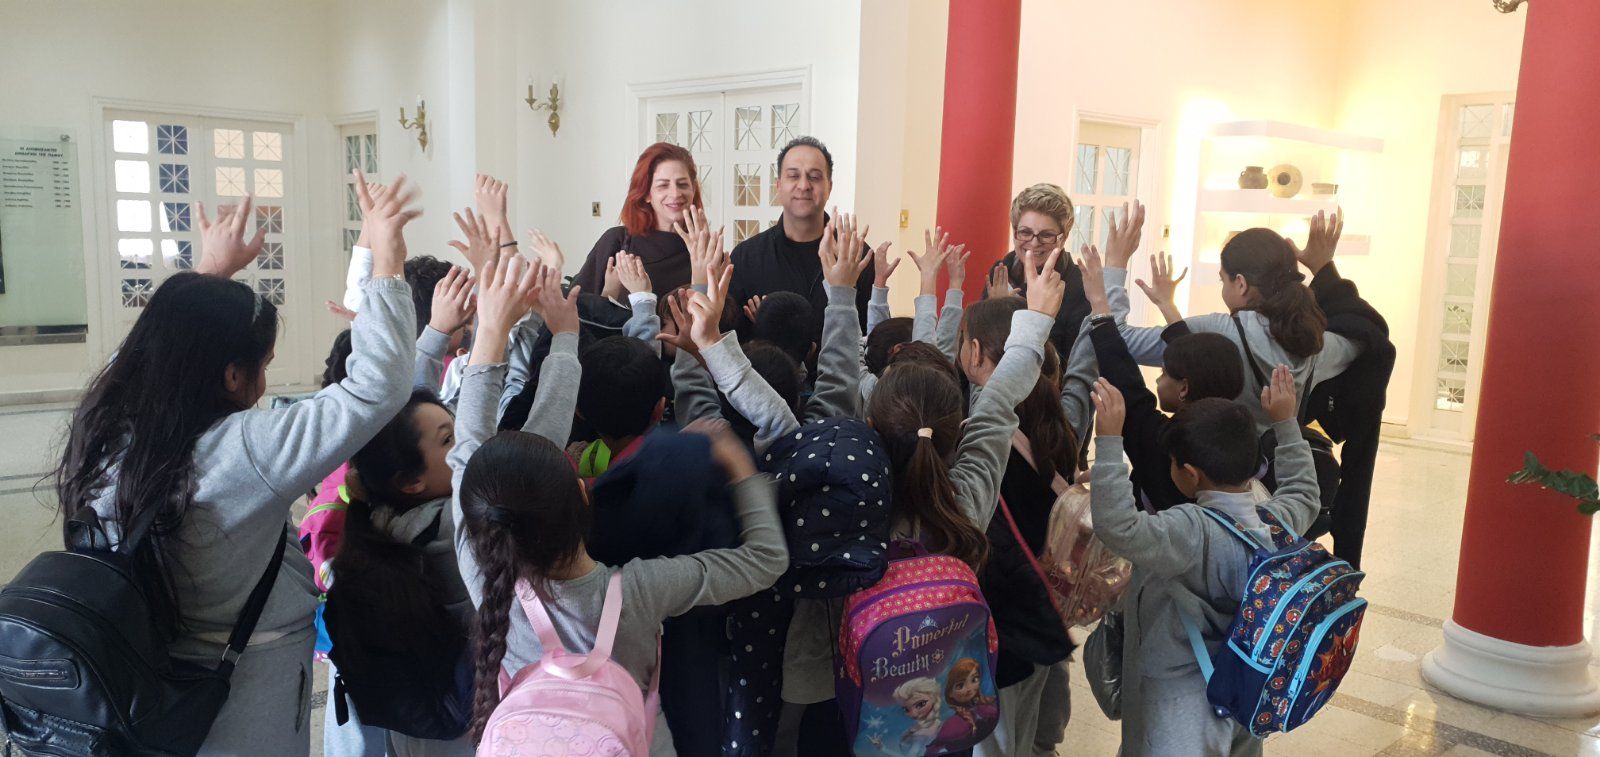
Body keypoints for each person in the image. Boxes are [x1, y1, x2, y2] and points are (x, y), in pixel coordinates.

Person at [54, 175, 421, 755]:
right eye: (264, 365)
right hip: (246, 683)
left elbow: (144, 354)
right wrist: (387, 260)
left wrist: (208, 275)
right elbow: (377, 386)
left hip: (136, 668)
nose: (265, 380)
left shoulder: (107, 428)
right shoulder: (245, 450)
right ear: (231, 376)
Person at [447, 251, 789, 753]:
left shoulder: (482, 570)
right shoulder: (637, 591)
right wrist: (743, 473)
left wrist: (495, 332)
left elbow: (471, 451)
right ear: (582, 495)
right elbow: (766, 561)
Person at [1087, 369, 1321, 757]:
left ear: (1190, 475)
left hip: (1179, 700)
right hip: (1246, 685)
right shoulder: (1274, 521)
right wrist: (1286, 422)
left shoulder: (1191, 530)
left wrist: (1109, 442)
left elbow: (1118, 526)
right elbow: (1304, 493)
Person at [1106, 210, 1363, 433]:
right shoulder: (1315, 343)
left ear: (1240, 283)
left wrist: (1115, 263)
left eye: (1222, 279)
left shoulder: (1218, 332)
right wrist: (1323, 267)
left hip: (1211, 468)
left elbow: (1117, 341)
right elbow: (1366, 335)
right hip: (1278, 468)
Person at [324, 388, 473, 757]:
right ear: (410, 481)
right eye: (449, 439)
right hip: (464, 729)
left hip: (415, 726)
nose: (467, 443)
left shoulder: (378, 522)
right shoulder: (451, 528)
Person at [1078, 246, 1246, 512]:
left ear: (1184, 388)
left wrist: (1099, 304)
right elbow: (1199, 363)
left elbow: (1127, 382)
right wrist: (1167, 305)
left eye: (1164, 372)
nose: (1157, 380)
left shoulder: (1167, 446)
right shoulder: (1240, 432)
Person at [727, 135, 875, 331]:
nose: (804, 186)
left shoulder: (855, 255)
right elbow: (732, 335)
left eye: (814, 177)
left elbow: (871, 336)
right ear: (778, 185)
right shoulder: (746, 256)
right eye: (793, 176)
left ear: (829, 186)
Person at [983, 185, 1140, 358]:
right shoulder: (1000, 272)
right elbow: (976, 347)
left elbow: (1076, 362)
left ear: (1063, 238)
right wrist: (994, 311)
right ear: (1015, 232)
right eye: (1025, 232)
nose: (1034, 243)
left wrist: (1017, 315)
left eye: (1046, 235)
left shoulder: (1080, 286)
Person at [573, 142, 705, 296]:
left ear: (693, 189)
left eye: (682, 184)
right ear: (647, 193)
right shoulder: (617, 242)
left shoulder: (706, 252)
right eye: (663, 186)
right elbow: (577, 307)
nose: (675, 194)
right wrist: (609, 291)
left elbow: (719, 310)